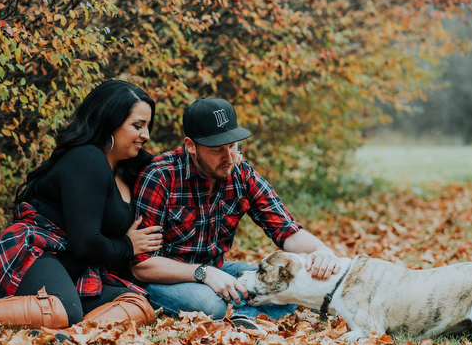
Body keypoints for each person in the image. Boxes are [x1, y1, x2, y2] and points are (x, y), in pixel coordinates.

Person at [0, 80, 163, 336]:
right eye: (137, 126)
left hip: (77, 267)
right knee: (65, 310)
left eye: (148, 126)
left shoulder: (129, 168)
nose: (146, 136)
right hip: (36, 250)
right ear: (109, 122)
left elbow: (171, 166)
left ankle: (71, 338)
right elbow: (86, 243)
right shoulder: (87, 158)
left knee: (136, 303)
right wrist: (128, 246)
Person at [130, 97, 340, 328]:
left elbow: (285, 229)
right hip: (165, 279)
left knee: (285, 281)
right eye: (217, 149)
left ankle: (243, 319)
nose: (229, 157)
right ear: (190, 145)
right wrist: (204, 273)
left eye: (232, 146)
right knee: (210, 305)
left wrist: (322, 250)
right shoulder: (160, 177)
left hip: (218, 269)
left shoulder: (241, 174)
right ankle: (246, 315)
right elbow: (141, 265)